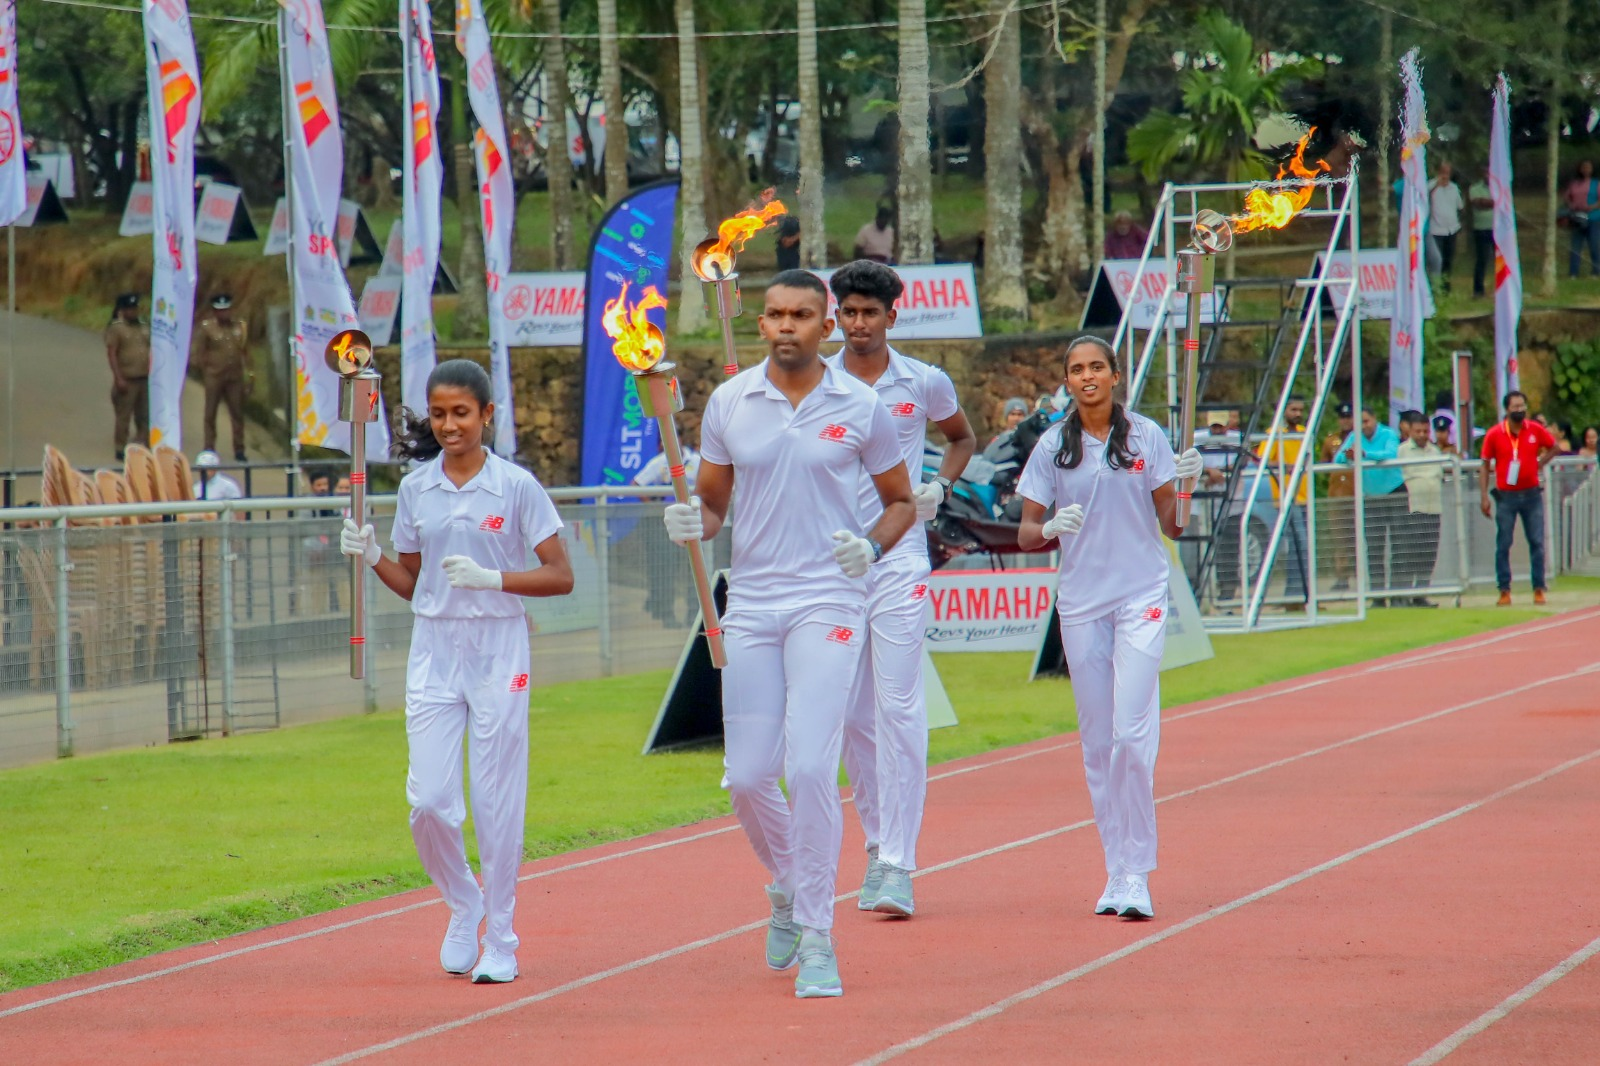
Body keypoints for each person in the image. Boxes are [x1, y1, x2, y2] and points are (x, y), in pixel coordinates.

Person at [661, 269, 914, 998]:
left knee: (808, 768)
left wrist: (871, 546)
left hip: (830, 599)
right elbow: (710, 504)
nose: (785, 326)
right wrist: (691, 524)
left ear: (825, 325)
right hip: (753, 600)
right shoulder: (731, 403)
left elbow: (900, 503)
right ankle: (789, 882)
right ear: (761, 321)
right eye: (774, 314)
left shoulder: (861, 406)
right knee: (745, 777)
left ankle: (818, 937)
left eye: (801, 315)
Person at [339, 359, 574, 985]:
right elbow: (413, 584)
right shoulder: (417, 489)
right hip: (435, 647)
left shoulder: (517, 486)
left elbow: (560, 574)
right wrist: (372, 557)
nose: (448, 425)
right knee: (430, 802)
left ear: (486, 415)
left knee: (495, 801)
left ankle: (501, 936)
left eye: (461, 413)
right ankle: (463, 900)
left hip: (499, 646)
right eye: (438, 414)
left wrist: (495, 579)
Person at [1015, 335, 1202, 921]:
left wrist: (1189, 482)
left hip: (1141, 594)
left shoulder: (1146, 435)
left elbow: (1172, 526)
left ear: (1115, 375)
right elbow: (1024, 531)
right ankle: (1115, 868)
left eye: (1097, 367)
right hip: (1081, 604)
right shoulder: (1052, 446)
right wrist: (1049, 529)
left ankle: (1137, 872)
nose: (1087, 376)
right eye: (1076, 370)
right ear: (1066, 382)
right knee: (1098, 745)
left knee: (1130, 734)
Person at [825, 260, 977, 918]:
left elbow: (962, 436)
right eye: (849, 312)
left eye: (870, 313)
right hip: (831, 563)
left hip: (899, 557)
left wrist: (939, 485)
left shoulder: (924, 381)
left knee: (899, 705)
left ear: (893, 315)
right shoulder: (814, 381)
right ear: (837, 316)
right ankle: (877, 840)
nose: (859, 324)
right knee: (854, 717)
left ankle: (899, 862)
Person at [1479, 390, 1557, 606]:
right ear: (1506, 409)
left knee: (1537, 541)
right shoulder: (1495, 434)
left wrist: (1539, 464)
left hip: (1531, 494)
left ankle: (1539, 587)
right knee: (1504, 543)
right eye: (1515, 406)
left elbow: (1554, 447)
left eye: (1522, 406)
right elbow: (1484, 466)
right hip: (1506, 496)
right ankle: (1504, 589)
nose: (1520, 410)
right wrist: (1484, 495)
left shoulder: (1534, 429)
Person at [1334, 407, 1405, 603]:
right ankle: (1378, 596)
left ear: (1375, 419)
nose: (1364, 426)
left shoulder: (1388, 434)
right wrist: (1349, 456)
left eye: (1366, 421)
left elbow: (1390, 453)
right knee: (1374, 547)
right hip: (1372, 496)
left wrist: (1364, 453)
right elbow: (1338, 457)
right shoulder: (1354, 436)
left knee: (1398, 544)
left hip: (1394, 491)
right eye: (1360, 422)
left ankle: (1399, 595)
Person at [634, 438, 701, 626]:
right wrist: (654, 507)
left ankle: (693, 615)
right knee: (667, 570)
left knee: (694, 570)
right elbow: (636, 485)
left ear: (679, 440)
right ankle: (667, 615)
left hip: (691, 522)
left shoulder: (697, 461)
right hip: (667, 524)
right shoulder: (660, 462)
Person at [1251, 396, 1309, 608]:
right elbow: (1263, 458)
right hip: (1285, 498)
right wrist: (1286, 465)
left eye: (1300, 409)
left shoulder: (1304, 431)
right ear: (1284, 411)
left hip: (1305, 496)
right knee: (1297, 544)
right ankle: (1289, 594)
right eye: (1293, 409)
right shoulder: (1274, 433)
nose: (1297, 414)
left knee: (1301, 546)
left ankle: (1299, 594)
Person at [192, 293, 251, 461]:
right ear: (214, 312)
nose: (224, 314)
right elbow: (199, 353)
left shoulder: (240, 327)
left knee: (237, 413)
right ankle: (209, 447)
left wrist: (250, 374)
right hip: (214, 375)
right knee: (210, 412)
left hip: (235, 376)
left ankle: (239, 448)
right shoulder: (207, 328)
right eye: (220, 311)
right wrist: (207, 370)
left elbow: (245, 351)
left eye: (226, 310)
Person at [1395, 411, 1444, 606]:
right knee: (1409, 553)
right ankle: (1404, 595)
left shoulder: (1435, 451)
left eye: (1425, 431)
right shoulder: (1403, 451)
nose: (1422, 435)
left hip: (1434, 508)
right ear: (1410, 431)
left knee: (1428, 554)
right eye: (1418, 431)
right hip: (1414, 509)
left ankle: (1420, 593)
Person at [104, 293, 151, 460]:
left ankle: (141, 444)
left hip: (144, 378)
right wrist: (118, 377)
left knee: (144, 415)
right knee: (124, 415)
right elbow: (112, 353)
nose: (134, 312)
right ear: (123, 310)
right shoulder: (117, 328)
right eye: (130, 309)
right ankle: (120, 447)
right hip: (127, 378)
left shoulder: (145, 326)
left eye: (136, 308)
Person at [1319, 402, 1357, 591]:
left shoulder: (1359, 439)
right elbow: (1324, 464)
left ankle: (1361, 574)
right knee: (1340, 537)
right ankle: (1342, 576)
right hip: (1337, 495)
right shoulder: (1331, 441)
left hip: (1356, 494)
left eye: (1349, 417)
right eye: (1343, 417)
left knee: (1359, 535)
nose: (1346, 421)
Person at [1428, 162, 1464, 291]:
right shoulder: (1431, 185)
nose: (1445, 175)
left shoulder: (1454, 188)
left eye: (1447, 173)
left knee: (1448, 260)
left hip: (1451, 229)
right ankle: (1436, 287)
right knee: (1438, 259)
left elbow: (1460, 206)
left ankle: (1446, 287)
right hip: (1436, 230)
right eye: (1443, 172)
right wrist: (1437, 184)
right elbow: (1425, 195)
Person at [1563, 160, 1600, 278]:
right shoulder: (1574, 183)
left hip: (1593, 217)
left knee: (1594, 244)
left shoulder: (1596, 183)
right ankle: (1573, 272)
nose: (1586, 170)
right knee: (1575, 245)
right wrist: (1571, 205)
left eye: (1588, 167)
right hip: (1577, 217)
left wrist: (1591, 207)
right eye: (1584, 167)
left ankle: (1596, 271)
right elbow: (1567, 197)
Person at [1468, 167, 1495, 298]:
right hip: (1481, 229)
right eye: (1486, 173)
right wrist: (1494, 202)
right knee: (1482, 260)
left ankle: (1500, 289)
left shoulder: (1499, 187)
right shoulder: (1475, 188)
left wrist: (1489, 202)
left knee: (1501, 260)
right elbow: (1477, 203)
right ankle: (1478, 290)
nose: (1488, 175)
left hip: (1497, 229)